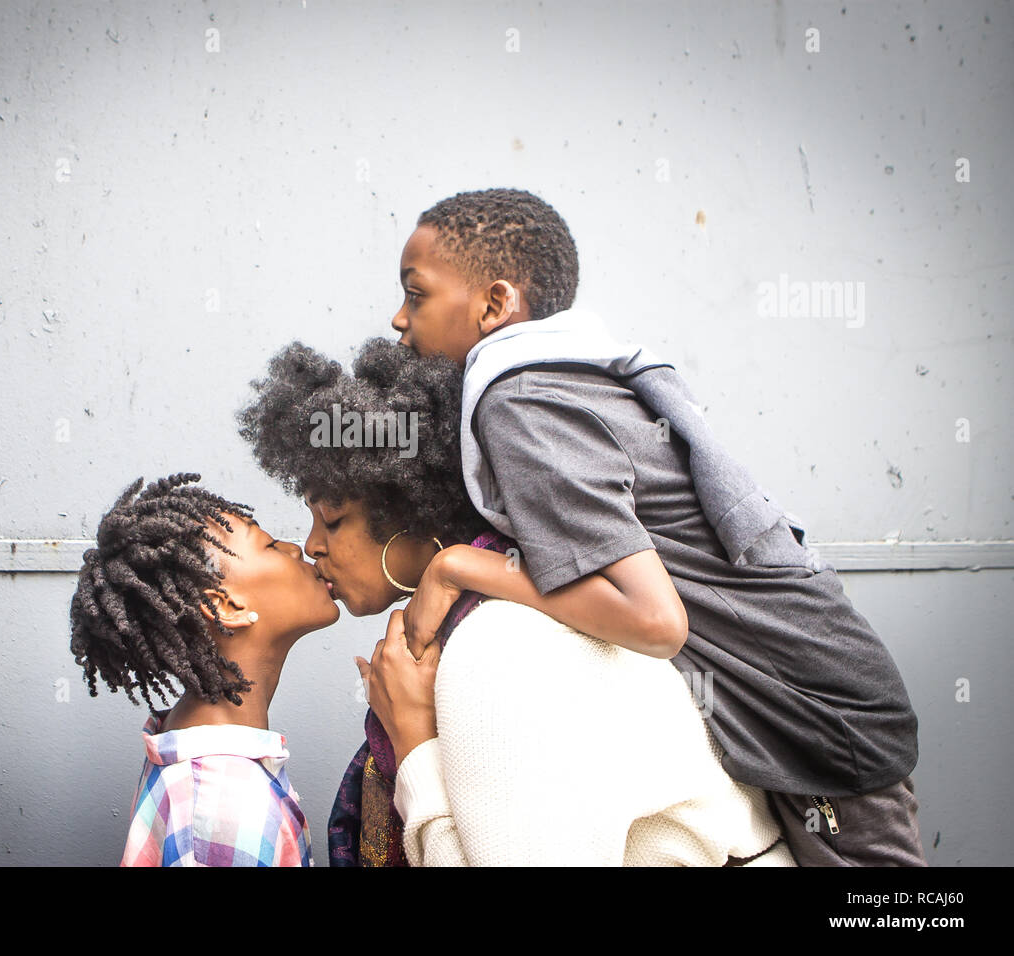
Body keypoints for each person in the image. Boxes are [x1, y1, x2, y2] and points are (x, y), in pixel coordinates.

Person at [387, 187, 926, 866]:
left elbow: (653, 620)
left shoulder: (521, 401)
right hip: (816, 697)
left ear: (496, 304)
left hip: (819, 717)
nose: (398, 319)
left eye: (416, 294)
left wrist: (455, 566)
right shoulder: (572, 375)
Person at [238, 339, 796, 866]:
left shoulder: (499, 649)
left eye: (333, 519)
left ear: (409, 513)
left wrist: (413, 744)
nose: (311, 545)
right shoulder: (500, 613)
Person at [69, 472, 340, 866]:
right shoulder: (228, 811)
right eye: (269, 545)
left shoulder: (189, 745)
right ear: (228, 606)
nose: (297, 550)